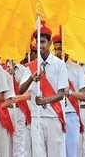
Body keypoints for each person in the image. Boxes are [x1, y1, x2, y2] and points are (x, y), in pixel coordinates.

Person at [19, 23, 68, 157]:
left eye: (43, 42)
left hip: (54, 117)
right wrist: (31, 78)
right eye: (38, 42)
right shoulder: (31, 66)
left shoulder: (60, 65)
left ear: (50, 42)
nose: (40, 45)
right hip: (37, 118)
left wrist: (45, 100)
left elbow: (62, 93)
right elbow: (20, 90)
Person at [52, 34, 85, 157]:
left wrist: (70, 92)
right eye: (56, 49)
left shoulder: (76, 69)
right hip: (54, 116)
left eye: (60, 49)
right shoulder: (51, 68)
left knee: (72, 152)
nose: (58, 52)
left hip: (71, 116)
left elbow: (84, 96)